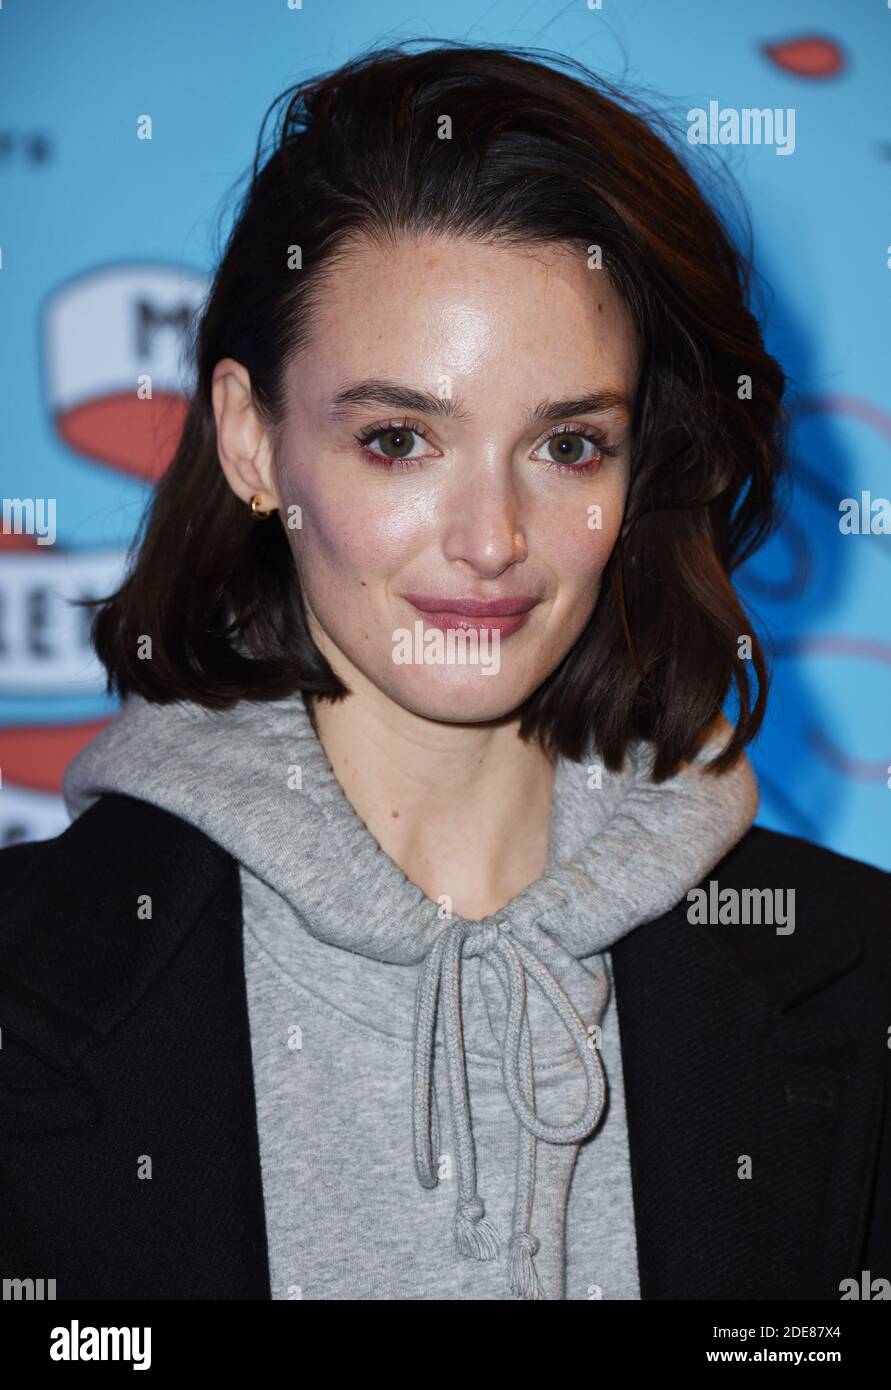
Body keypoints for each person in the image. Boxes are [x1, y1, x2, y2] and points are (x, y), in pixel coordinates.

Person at [1, 40, 888, 1303]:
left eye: (570, 444)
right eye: (401, 438)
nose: (492, 539)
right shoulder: (32, 978)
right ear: (252, 440)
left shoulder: (856, 970)